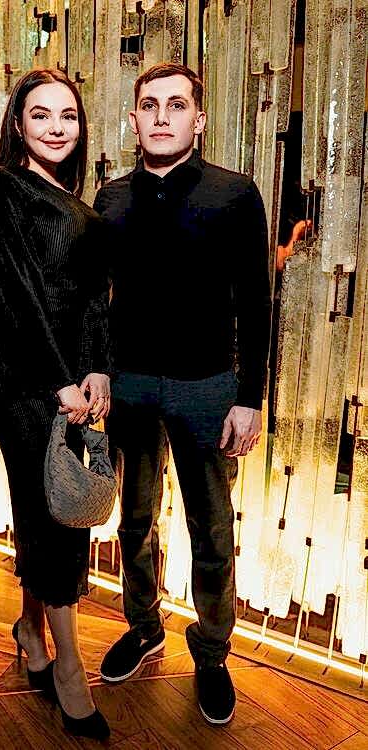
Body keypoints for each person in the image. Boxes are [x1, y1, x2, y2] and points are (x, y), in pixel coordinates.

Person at [94, 62, 271, 725]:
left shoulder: (234, 193)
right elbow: (96, 301)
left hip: (207, 387)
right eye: (150, 104)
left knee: (212, 528)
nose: (161, 115)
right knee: (134, 519)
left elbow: (256, 303)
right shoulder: (111, 199)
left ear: (198, 120)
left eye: (176, 104)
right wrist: (95, 374)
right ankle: (144, 627)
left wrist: (250, 397)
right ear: (134, 119)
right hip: (131, 385)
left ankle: (212, 652)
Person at [0, 68, 111, 741]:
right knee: (55, 514)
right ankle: (69, 671)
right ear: (18, 124)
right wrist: (61, 383)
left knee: (43, 499)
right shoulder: (0, 188)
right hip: (15, 372)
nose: (56, 127)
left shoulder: (80, 206)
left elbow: (92, 301)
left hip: (68, 375)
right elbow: (15, 293)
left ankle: (30, 629)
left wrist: (97, 369)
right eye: (41, 115)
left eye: (68, 116)